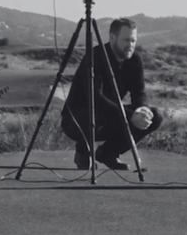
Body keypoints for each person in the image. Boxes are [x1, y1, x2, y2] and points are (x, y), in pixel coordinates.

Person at [62, 18, 163, 170]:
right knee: (97, 114)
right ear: (112, 38)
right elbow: (96, 98)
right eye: (126, 40)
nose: (130, 45)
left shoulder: (135, 60)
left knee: (155, 116)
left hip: (111, 115)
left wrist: (142, 109)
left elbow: (139, 92)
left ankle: (108, 153)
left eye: (133, 41)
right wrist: (130, 116)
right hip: (78, 119)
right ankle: (83, 151)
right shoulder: (95, 56)